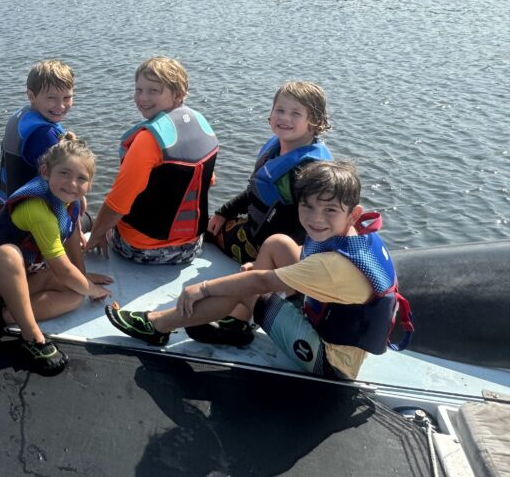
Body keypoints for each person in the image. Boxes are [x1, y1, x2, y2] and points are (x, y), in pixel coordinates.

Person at [106, 161, 414, 380]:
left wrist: (203, 288)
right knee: (279, 242)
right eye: (307, 207)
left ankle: (157, 327)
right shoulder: (359, 235)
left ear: (352, 213)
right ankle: (238, 324)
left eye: (329, 210)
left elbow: (260, 281)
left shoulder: (331, 266)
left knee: (242, 288)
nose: (315, 218)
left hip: (329, 360)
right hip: (334, 317)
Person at [0, 136, 113, 376]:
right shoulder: (39, 210)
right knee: (9, 254)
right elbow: (60, 268)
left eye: (82, 178)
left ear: (89, 183)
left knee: (75, 295)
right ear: (46, 172)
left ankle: (0, 316)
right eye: (65, 174)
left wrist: (84, 278)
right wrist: (93, 290)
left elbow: (69, 239)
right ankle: (31, 335)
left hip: (27, 274)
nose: (72, 184)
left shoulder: (71, 202)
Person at [86, 57, 218, 265]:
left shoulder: (148, 140)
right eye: (139, 90)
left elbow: (118, 204)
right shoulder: (201, 124)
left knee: (97, 214)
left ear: (178, 95)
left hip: (142, 249)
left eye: (153, 91)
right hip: (191, 247)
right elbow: (208, 181)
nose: (142, 98)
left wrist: (94, 236)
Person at [208, 81, 333, 265]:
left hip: (271, 249)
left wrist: (266, 263)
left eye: (295, 113)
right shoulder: (276, 150)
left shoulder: (305, 171)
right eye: (279, 110)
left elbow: (305, 226)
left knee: (203, 230)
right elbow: (256, 191)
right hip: (257, 229)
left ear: (314, 122)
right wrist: (224, 212)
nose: (284, 118)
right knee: (212, 222)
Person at [0, 59, 76, 204]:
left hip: (10, 206)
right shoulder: (44, 135)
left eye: (67, 98)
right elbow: (63, 186)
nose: (61, 106)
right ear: (31, 96)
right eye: (52, 98)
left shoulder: (23, 116)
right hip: (35, 216)